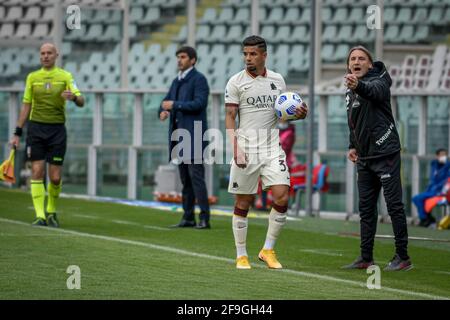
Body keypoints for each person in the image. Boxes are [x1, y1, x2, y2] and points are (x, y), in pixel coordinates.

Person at [225, 36, 307, 269]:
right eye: (245, 54)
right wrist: (235, 148)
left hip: (272, 147)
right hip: (246, 147)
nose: (248, 58)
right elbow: (230, 117)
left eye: (252, 54)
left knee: (282, 194)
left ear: (264, 55)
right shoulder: (235, 82)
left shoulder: (277, 80)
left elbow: (283, 113)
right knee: (244, 200)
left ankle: (268, 250)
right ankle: (241, 254)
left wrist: (298, 114)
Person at [343, 46, 412, 271]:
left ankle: (403, 257)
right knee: (366, 209)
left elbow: (374, 92)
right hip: (365, 158)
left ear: (370, 64)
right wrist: (352, 146)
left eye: (361, 58)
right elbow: (354, 121)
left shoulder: (379, 79)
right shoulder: (350, 89)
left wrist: (358, 85)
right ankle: (366, 258)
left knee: (394, 207)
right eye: (353, 58)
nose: (357, 61)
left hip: (386, 154)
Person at [9, 43, 85, 227]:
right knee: (36, 171)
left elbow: (82, 100)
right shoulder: (32, 78)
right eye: (42, 53)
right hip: (36, 130)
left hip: (57, 130)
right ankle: (40, 216)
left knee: (56, 176)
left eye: (49, 53)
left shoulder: (65, 76)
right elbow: (26, 105)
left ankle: (51, 211)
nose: (45, 56)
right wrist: (17, 133)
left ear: (56, 55)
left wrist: (74, 98)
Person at [159, 46, 211, 229]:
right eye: (178, 57)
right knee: (185, 180)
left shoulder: (199, 79)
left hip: (194, 135)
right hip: (178, 137)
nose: (179, 60)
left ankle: (204, 218)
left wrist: (175, 105)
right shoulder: (176, 81)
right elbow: (165, 103)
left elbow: (199, 103)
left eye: (183, 57)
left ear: (193, 60)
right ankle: (188, 217)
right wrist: (163, 111)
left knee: (196, 178)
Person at [412, 148, 450, 227]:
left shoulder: (448, 166)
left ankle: (425, 219)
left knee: (417, 198)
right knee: (417, 199)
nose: (444, 156)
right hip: (431, 190)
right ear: (437, 156)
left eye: (445, 155)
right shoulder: (434, 164)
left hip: (441, 191)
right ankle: (427, 218)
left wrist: (438, 189)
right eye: (441, 155)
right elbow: (432, 179)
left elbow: (446, 181)